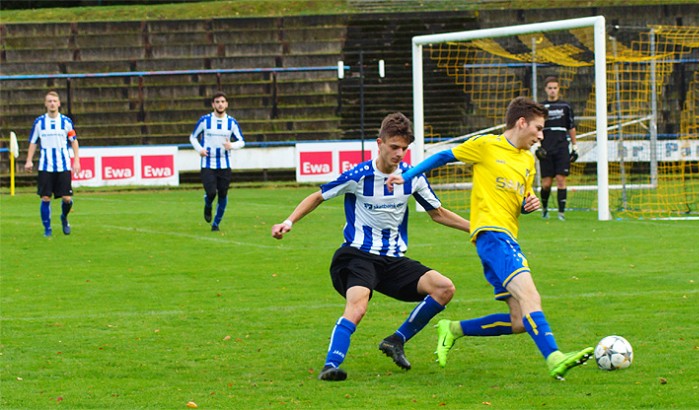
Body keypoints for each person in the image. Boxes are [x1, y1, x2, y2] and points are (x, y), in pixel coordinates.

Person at [386, 97, 595, 381]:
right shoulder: (485, 146)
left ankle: (454, 329)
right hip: (493, 237)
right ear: (521, 123)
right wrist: (407, 175)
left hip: (505, 238)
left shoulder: (527, 161)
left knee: (520, 321)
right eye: (538, 128)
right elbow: (443, 156)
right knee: (531, 295)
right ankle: (554, 357)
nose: (541, 135)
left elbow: (519, 198)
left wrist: (526, 204)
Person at [271, 112, 470, 382]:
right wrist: (289, 221)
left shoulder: (413, 178)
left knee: (444, 288)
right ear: (380, 143)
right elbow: (318, 196)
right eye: (394, 147)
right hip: (357, 256)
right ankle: (331, 365)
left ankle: (396, 340)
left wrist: (476, 227)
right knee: (358, 306)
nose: (399, 153)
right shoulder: (359, 175)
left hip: (393, 260)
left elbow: (438, 213)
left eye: (404, 148)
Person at [24, 90, 80, 237]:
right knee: (45, 198)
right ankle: (47, 229)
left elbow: (74, 142)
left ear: (59, 104)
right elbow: (33, 142)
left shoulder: (66, 122)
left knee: (67, 198)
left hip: (63, 166)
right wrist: (29, 160)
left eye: (54, 101)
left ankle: (64, 218)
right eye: (49, 101)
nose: (52, 103)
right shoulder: (39, 122)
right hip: (45, 166)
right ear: (45, 104)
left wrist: (77, 161)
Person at [189, 91, 245, 231]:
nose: (220, 104)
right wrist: (200, 149)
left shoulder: (231, 123)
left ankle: (216, 224)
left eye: (222, 101)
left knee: (223, 194)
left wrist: (231, 145)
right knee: (211, 192)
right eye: (217, 102)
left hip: (225, 164)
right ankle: (207, 205)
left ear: (226, 104)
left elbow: (242, 141)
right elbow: (193, 137)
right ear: (213, 104)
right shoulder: (205, 120)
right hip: (208, 163)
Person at [536, 76, 578, 221]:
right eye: (550, 88)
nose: (552, 91)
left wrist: (575, 147)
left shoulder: (565, 107)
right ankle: (545, 209)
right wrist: (538, 146)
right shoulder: (540, 108)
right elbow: (536, 128)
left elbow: (571, 127)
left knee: (561, 179)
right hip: (547, 148)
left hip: (561, 147)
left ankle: (561, 213)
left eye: (555, 88)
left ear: (558, 89)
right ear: (545, 90)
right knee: (546, 183)